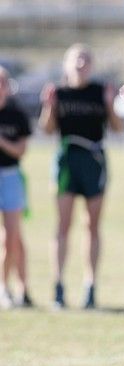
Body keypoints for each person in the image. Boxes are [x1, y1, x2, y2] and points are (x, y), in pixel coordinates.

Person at [39, 43, 123, 309]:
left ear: (91, 65)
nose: (81, 64)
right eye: (76, 60)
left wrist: (111, 105)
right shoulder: (59, 92)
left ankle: (90, 286)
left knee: (92, 226)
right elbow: (48, 129)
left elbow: (118, 128)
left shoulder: (100, 92)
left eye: (86, 60)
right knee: (63, 226)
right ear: (66, 65)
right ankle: (59, 286)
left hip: (93, 161)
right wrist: (49, 107)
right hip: (67, 161)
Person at [0, 66, 33, 309]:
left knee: (13, 237)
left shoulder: (16, 114)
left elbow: (20, 150)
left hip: (11, 176)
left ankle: (14, 287)